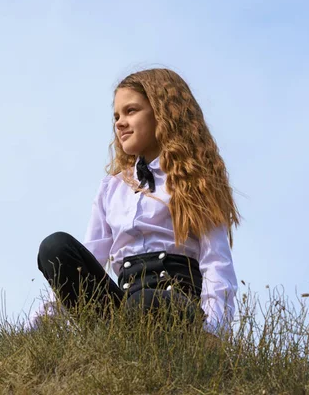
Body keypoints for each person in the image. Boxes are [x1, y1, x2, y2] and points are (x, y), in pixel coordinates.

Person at [29, 68, 241, 336]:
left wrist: (215, 332)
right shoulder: (112, 187)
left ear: (162, 114)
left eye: (131, 111)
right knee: (55, 247)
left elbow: (216, 263)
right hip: (124, 305)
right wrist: (38, 324)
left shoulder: (196, 181)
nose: (119, 122)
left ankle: (155, 336)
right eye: (116, 116)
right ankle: (112, 336)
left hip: (173, 307)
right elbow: (93, 254)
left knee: (146, 302)